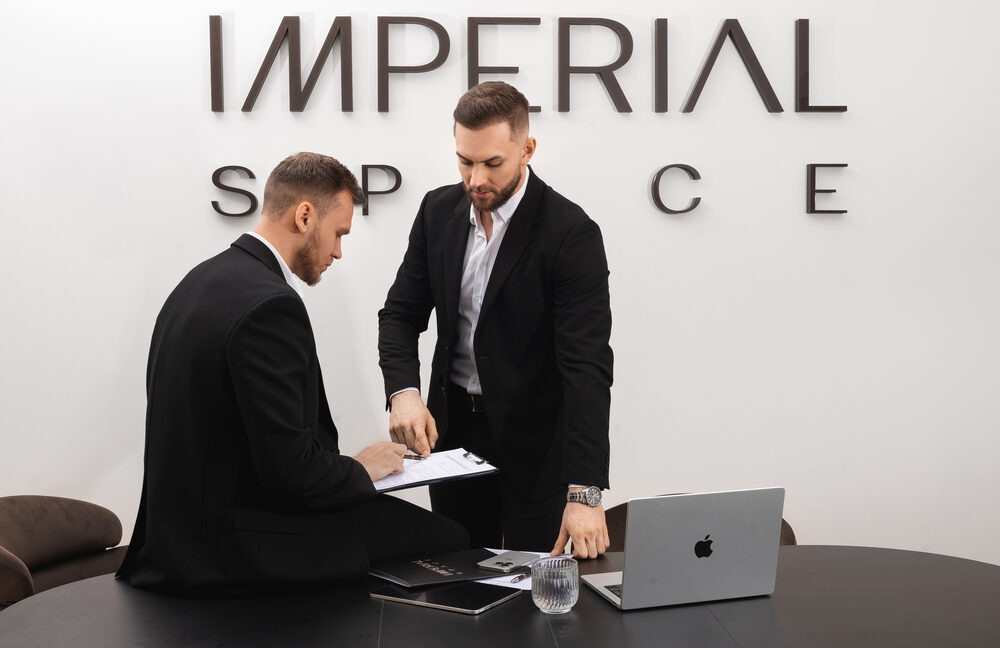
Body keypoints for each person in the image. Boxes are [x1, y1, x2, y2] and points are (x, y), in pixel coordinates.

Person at [117, 152, 467, 594]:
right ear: (304, 216)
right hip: (232, 548)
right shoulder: (271, 306)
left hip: (177, 537)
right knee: (452, 538)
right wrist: (361, 469)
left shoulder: (197, 282)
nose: (338, 252)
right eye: (338, 234)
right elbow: (290, 473)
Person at [378, 82, 614, 558]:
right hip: (452, 436)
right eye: (465, 161)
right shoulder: (436, 212)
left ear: (527, 149)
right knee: (454, 572)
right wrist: (403, 392)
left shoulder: (571, 234)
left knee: (533, 584)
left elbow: (586, 368)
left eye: (492, 163)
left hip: (537, 446)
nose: (476, 179)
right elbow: (400, 314)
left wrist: (585, 493)